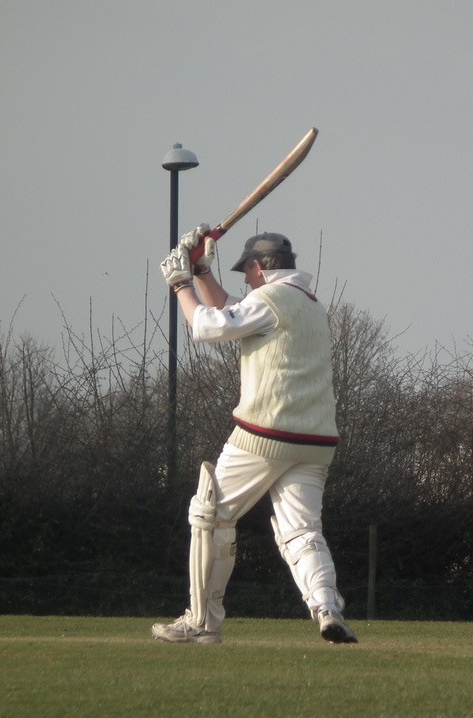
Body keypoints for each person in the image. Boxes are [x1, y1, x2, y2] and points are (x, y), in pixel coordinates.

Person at [150, 225, 357, 645]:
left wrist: (180, 283)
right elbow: (233, 311)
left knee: (210, 513)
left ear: (261, 268)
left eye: (247, 270)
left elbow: (209, 326)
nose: (245, 278)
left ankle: (202, 623)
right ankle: (327, 608)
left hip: (266, 432)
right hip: (315, 442)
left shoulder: (271, 299)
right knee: (301, 531)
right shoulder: (308, 305)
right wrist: (204, 273)